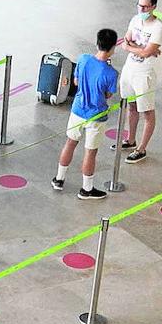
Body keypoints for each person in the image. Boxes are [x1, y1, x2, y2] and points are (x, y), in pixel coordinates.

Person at [53, 30, 119, 200]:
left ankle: (59, 179)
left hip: (77, 110)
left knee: (70, 143)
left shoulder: (83, 59)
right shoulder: (111, 73)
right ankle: (86, 189)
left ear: (97, 43)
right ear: (113, 48)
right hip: (96, 117)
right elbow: (107, 95)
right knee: (90, 152)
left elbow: (75, 82)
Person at [116, 0, 162, 164]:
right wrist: (144, 49)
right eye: (140, 5)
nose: (142, 9)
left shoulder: (158, 27)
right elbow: (127, 40)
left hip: (144, 73)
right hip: (129, 69)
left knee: (147, 111)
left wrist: (136, 48)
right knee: (131, 106)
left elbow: (144, 51)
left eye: (145, 6)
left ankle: (142, 148)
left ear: (153, 7)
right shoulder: (135, 20)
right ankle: (131, 140)